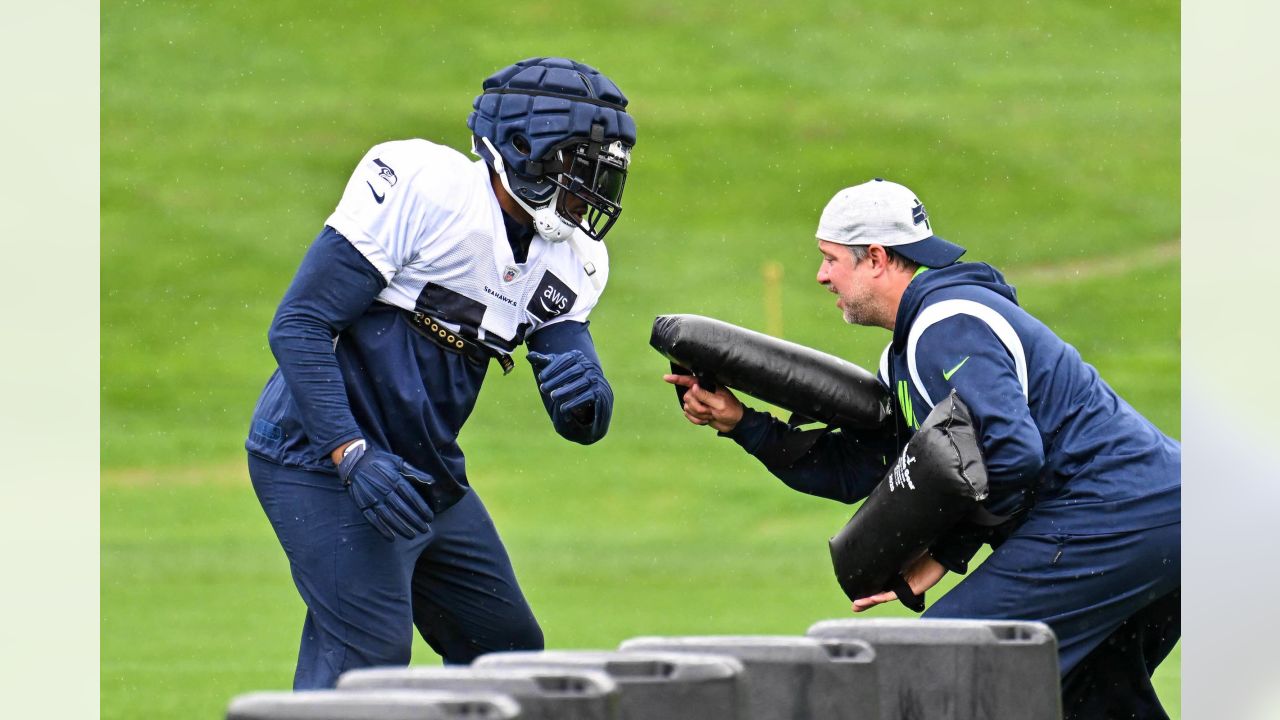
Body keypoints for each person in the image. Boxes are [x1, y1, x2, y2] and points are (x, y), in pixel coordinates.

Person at [665, 178, 1181, 718]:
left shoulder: (947, 324)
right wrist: (742, 423)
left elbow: (1014, 455)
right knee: (1090, 700)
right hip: (1154, 518)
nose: (821, 276)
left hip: (1116, 513)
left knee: (938, 669)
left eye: (831, 259)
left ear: (878, 259)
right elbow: (859, 470)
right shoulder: (907, 355)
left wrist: (943, 554)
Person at [245, 57, 637, 689]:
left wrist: (589, 402)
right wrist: (350, 453)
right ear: (522, 147)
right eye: (578, 169)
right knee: (364, 662)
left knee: (506, 653)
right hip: (317, 459)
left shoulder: (577, 258)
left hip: (423, 468)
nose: (591, 193)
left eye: (603, 176)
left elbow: (570, 362)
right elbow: (299, 325)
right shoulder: (425, 186)